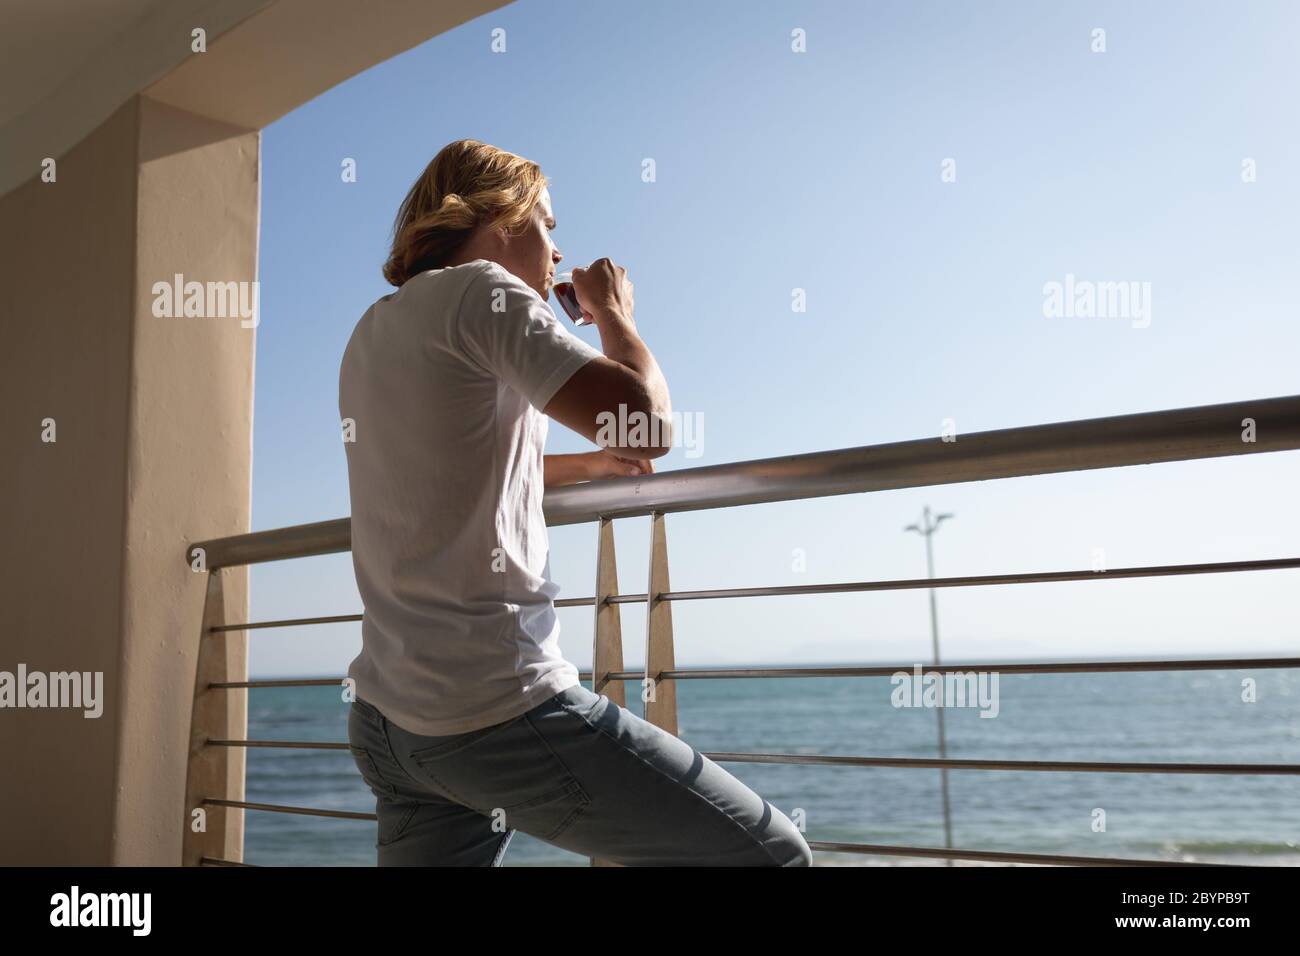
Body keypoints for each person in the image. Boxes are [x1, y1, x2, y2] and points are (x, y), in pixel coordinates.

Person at [338, 138, 812, 867]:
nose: (556, 252)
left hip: (387, 722)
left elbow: (457, 466)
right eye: (547, 225)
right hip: (492, 711)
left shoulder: (375, 327)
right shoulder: (483, 292)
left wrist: (591, 465)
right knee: (772, 856)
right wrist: (613, 312)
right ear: (502, 217)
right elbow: (648, 423)